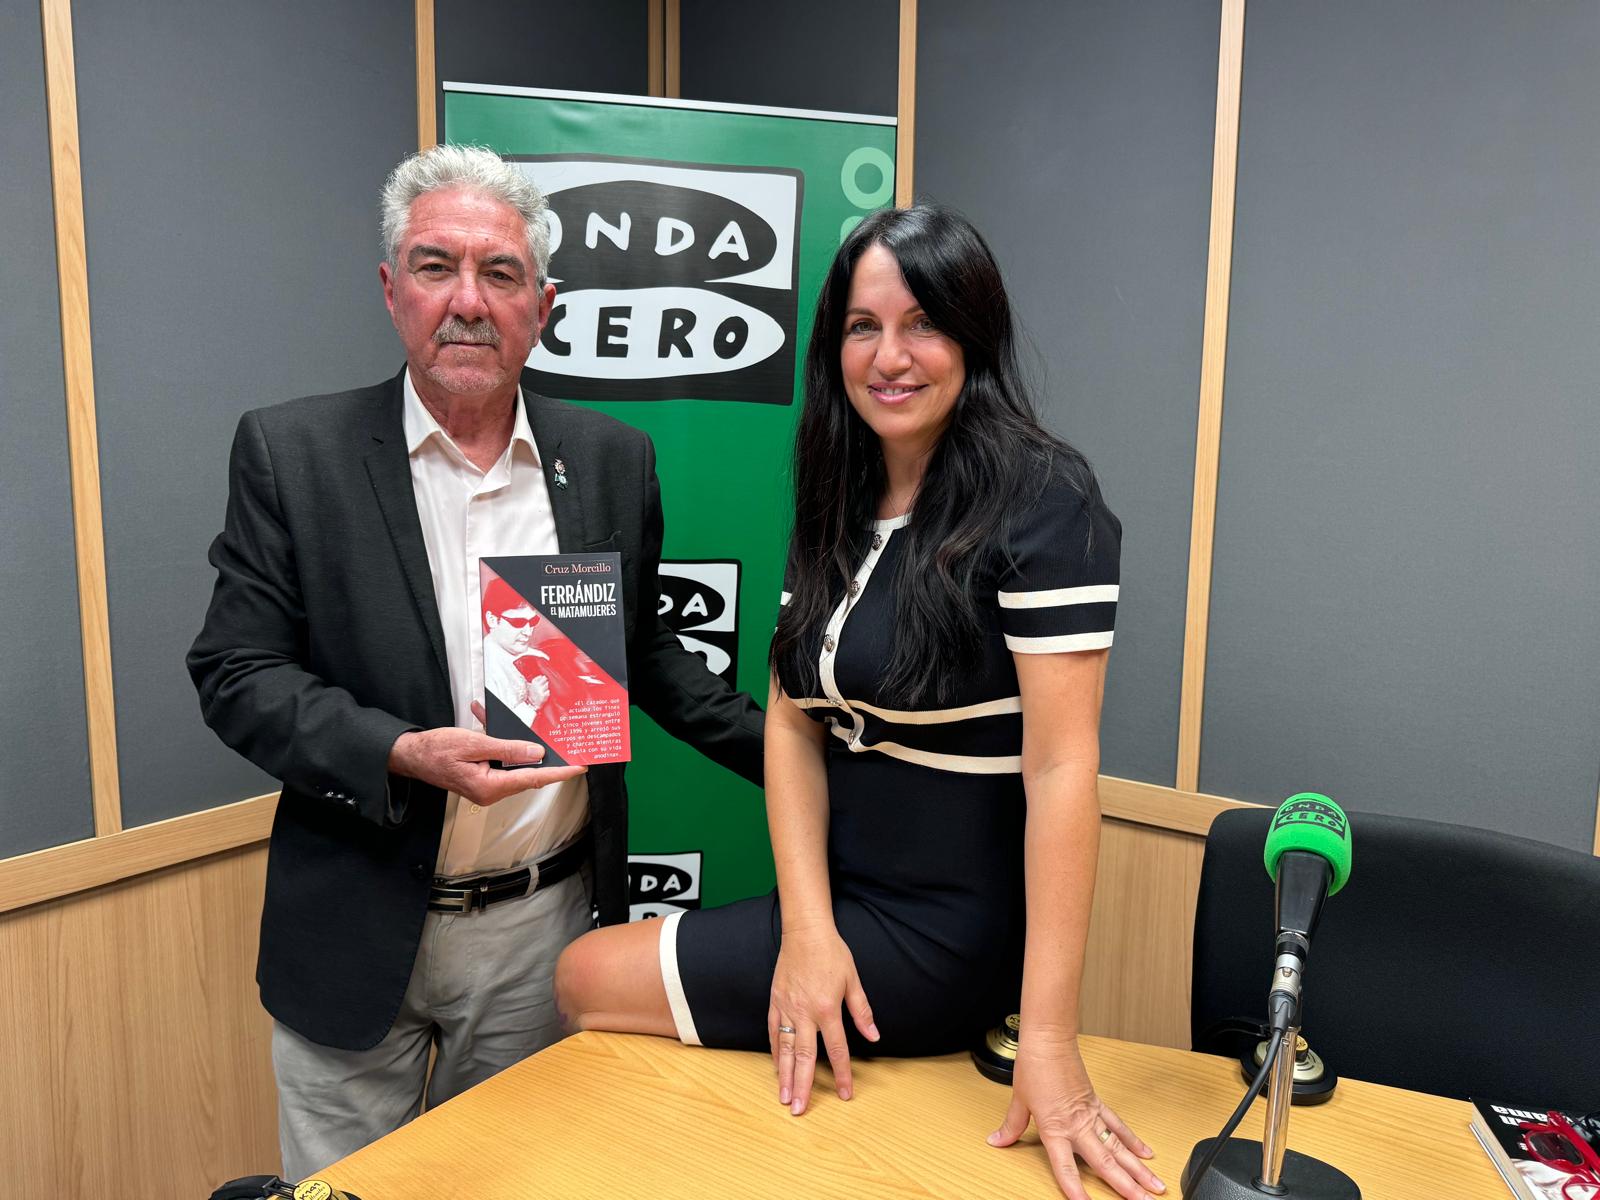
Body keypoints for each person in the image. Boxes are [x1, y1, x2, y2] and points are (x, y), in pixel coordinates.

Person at [554, 205, 1162, 1200]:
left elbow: (1062, 771)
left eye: (921, 322)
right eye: (861, 326)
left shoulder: (1045, 498)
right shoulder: (841, 492)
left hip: (943, 930)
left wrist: (1050, 1040)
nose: (889, 355)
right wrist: (805, 932)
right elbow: (791, 721)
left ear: (974, 334)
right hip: (841, 907)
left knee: (583, 978)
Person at [187, 144, 763, 1180]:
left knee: (515, 1180)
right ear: (389, 290)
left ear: (542, 304)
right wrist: (400, 750)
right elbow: (237, 674)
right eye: (434, 265)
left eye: (498, 274)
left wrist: (804, 760)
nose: (466, 300)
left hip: (541, 926)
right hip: (358, 914)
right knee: (350, 1188)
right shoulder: (292, 453)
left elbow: (644, 661)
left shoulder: (608, 459)